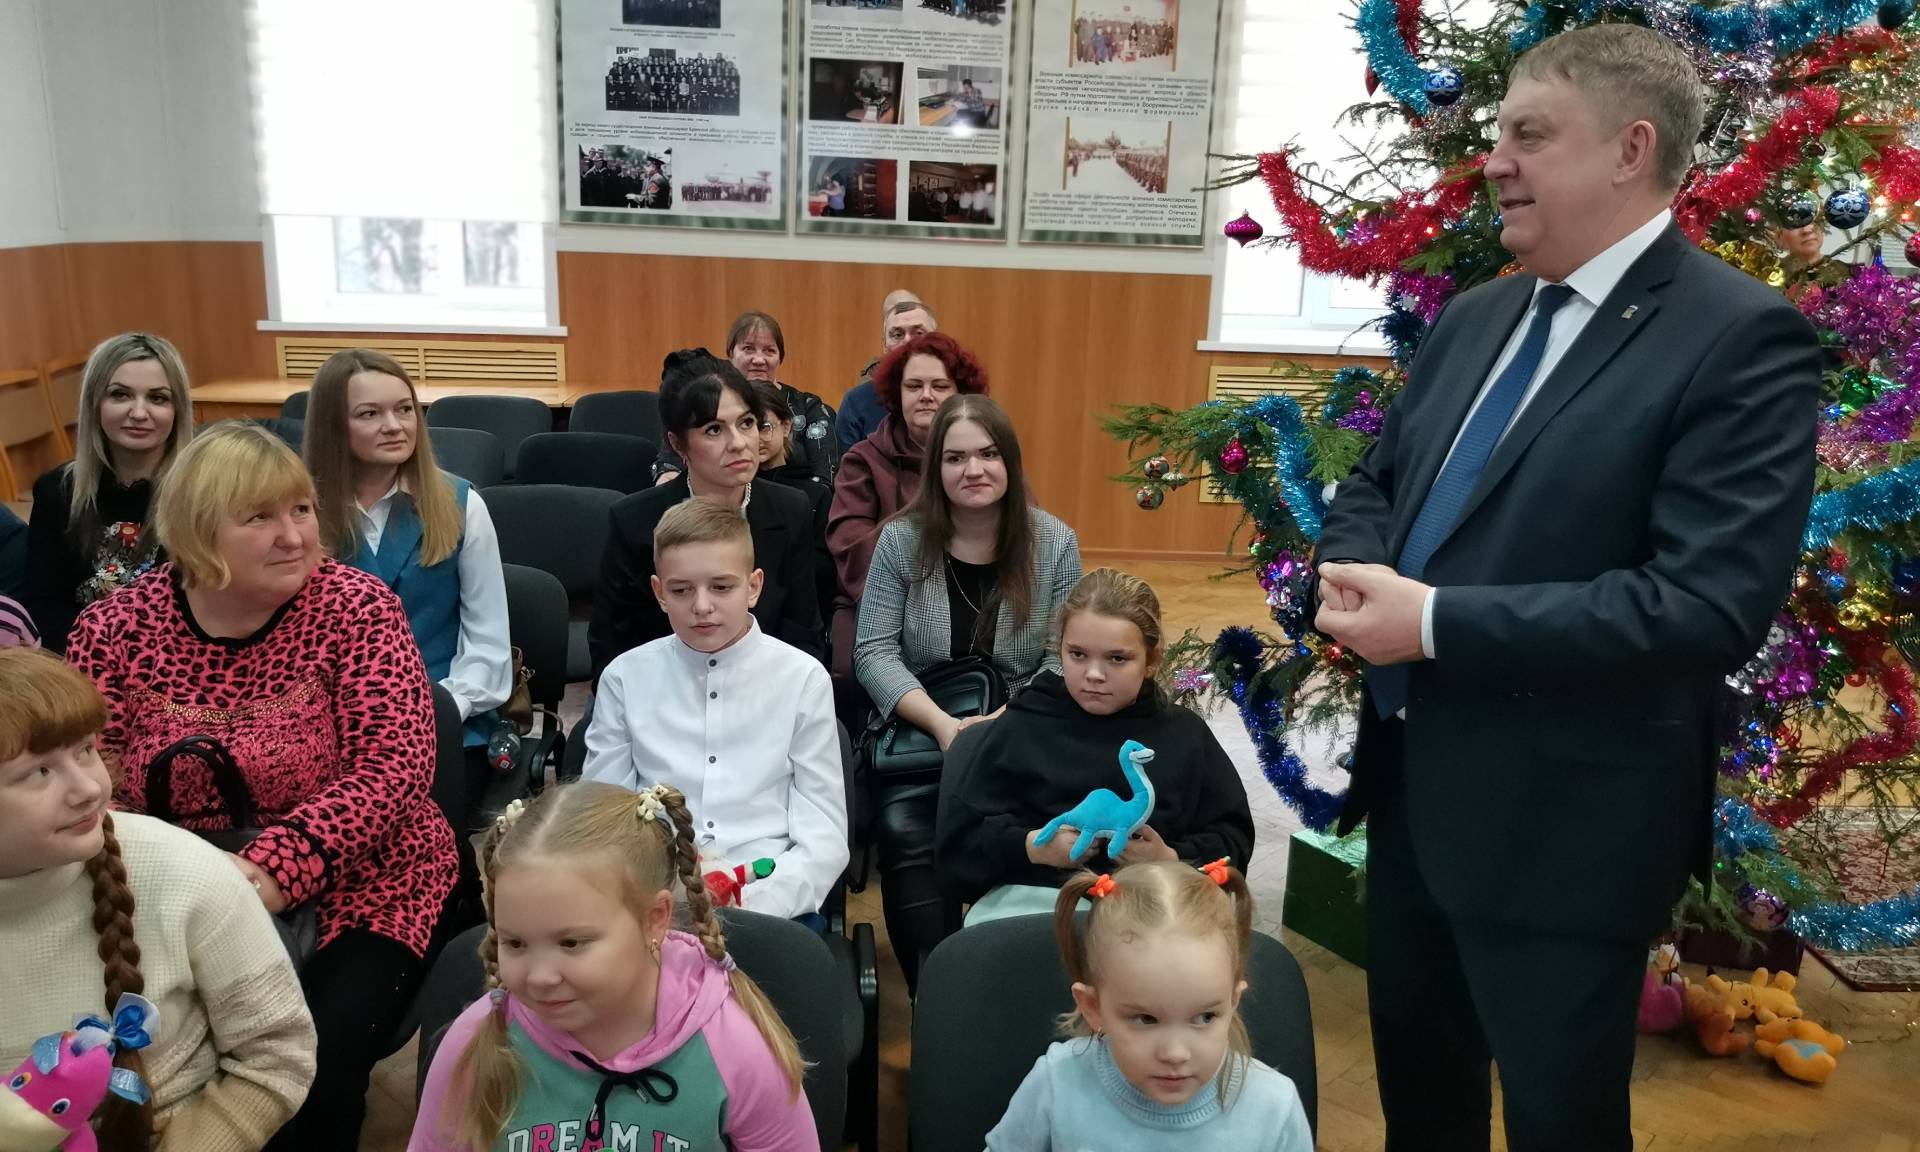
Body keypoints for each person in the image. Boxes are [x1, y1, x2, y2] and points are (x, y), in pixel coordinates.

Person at [1308, 26, 1820, 1151]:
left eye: (1528, 135)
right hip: (1413, 800)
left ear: (1630, 149)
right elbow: (1381, 482)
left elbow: (1703, 606)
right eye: (1498, 133)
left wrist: (1432, 623)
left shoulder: (1740, 338)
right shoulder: (1479, 316)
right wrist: (1349, 575)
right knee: (1421, 1116)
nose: (1493, 160)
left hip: (1566, 834)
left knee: (1561, 1125)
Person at [63, 422, 459, 1152]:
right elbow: (87, 780)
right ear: (196, 532)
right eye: (259, 517)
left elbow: (393, 767)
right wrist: (185, 881)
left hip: (365, 878)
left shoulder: (356, 607)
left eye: (302, 510)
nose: (295, 536)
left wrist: (270, 871)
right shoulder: (114, 628)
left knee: (313, 1066)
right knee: (155, 1067)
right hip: (171, 884)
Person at [0, 648, 317, 1152]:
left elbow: (277, 1055)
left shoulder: (185, 872)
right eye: (39, 772)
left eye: (86, 750)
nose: (89, 789)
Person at [409, 781, 817, 1152]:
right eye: (515, 943)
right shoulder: (478, 1044)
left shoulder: (732, 1047)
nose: (539, 977)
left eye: (571, 943)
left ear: (654, 919)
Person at [854, 393, 1083, 993]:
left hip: (1022, 735)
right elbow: (872, 652)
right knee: (907, 835)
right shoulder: (901, 541)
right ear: (936, 469)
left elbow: (1064, 657)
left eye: (987, 454)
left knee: (1034, 833)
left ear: (1010, 462)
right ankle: (936, 995)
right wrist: (943, 726)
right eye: (955, 458)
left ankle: (1006, 990)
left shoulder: (1054, 542)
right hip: (924, 736)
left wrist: (1003, 723)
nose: (973, 470)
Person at [302, 348, 512, 929]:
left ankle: (440, 928)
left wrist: (432, 711)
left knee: (424, 853)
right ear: (333, 425)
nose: (394, 426)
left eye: (404, 410)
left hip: (445, 718)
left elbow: (488, 647)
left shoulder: (461, 502)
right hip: (325, 719)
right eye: (369, 414)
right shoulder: (298, 510)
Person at [582, 499, 848, 924]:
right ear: (659, 593)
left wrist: (755, 907)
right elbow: (603, 818)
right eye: (681, 590)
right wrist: (655, 902)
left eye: (721, 588)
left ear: (754, 587)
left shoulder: (802, 678)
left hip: (769, 897)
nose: (702, 606)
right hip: (655, 902)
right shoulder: (624, 678)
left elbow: (823, 835)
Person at [936, 568, 1254, 923]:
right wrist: (1033, 848)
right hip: (1034, 905)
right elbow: (959, 845)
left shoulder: (1185, 736)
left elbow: (1233, 840)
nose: (1094, 675)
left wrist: (1171, 859)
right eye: (1077, 654)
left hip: (1155, 909)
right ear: (1060, 649)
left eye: (1117, 658)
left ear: (1151, 661)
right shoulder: (1023, 725)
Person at [986, 860, 1313, 1152]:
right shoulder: (1057, 1083)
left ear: (1233, 1002)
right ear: (1093, 1007)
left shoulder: (1274, 1109)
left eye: (1205, 1017)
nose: (1175, 1053)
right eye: (1145, 1019)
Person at [589, 352, 823, 681]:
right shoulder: (635, 521)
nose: (739, 443)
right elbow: (611, 648)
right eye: (714, 430)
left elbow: (803, 634)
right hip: (662, 691)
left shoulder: (791, 509)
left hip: (763, 689)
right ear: (677, 444)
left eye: (747, 423)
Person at [827, 328, 983, 681]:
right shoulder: (863, 460)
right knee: (850, 671)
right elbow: (851, 547)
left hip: (973, 600)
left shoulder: (987, 461)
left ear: (960, 394)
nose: (926, 396)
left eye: (940, 386)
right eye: (914, 386)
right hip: (879, 605)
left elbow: (1023, 532)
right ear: (897, 394)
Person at [24, 332, 195, 652]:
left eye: (158, 398)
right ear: (95, 403)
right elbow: (44, 604)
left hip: (176, 663)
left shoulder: (205, 490)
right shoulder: (56, 491)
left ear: (178, 410)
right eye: (120, 395)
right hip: (81, 660)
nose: (139, 413)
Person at [753, 380, 836, 630]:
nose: (755, 437)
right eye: (746, 426)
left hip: (798, 620)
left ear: (786, 426)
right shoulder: (734, 492)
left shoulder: (815, 494)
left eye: (764, 427)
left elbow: (823, 573)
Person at [838, 292, 933, 451]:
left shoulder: (959, 396)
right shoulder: (856, 402)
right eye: (897, 335)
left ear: (936, 340)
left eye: (918, 333)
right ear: (884, 346)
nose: (907, 341)